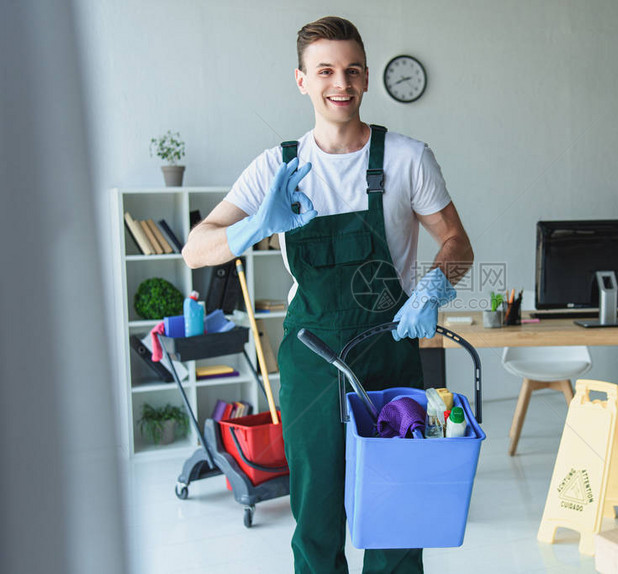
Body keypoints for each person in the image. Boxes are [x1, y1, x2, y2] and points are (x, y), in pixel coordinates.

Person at [182, 15, 473, 574]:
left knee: (397, 510)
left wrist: (435, 286)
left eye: (352, 70)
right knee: (315, 513)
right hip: (313, 359)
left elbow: (457, 243)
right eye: (325, 71)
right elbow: (196, 249)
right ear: (302, 80)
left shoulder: (408, 158)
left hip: (390, 354)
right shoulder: (278, 166)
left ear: (365, 79)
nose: (340, 82)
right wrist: (253, 225)